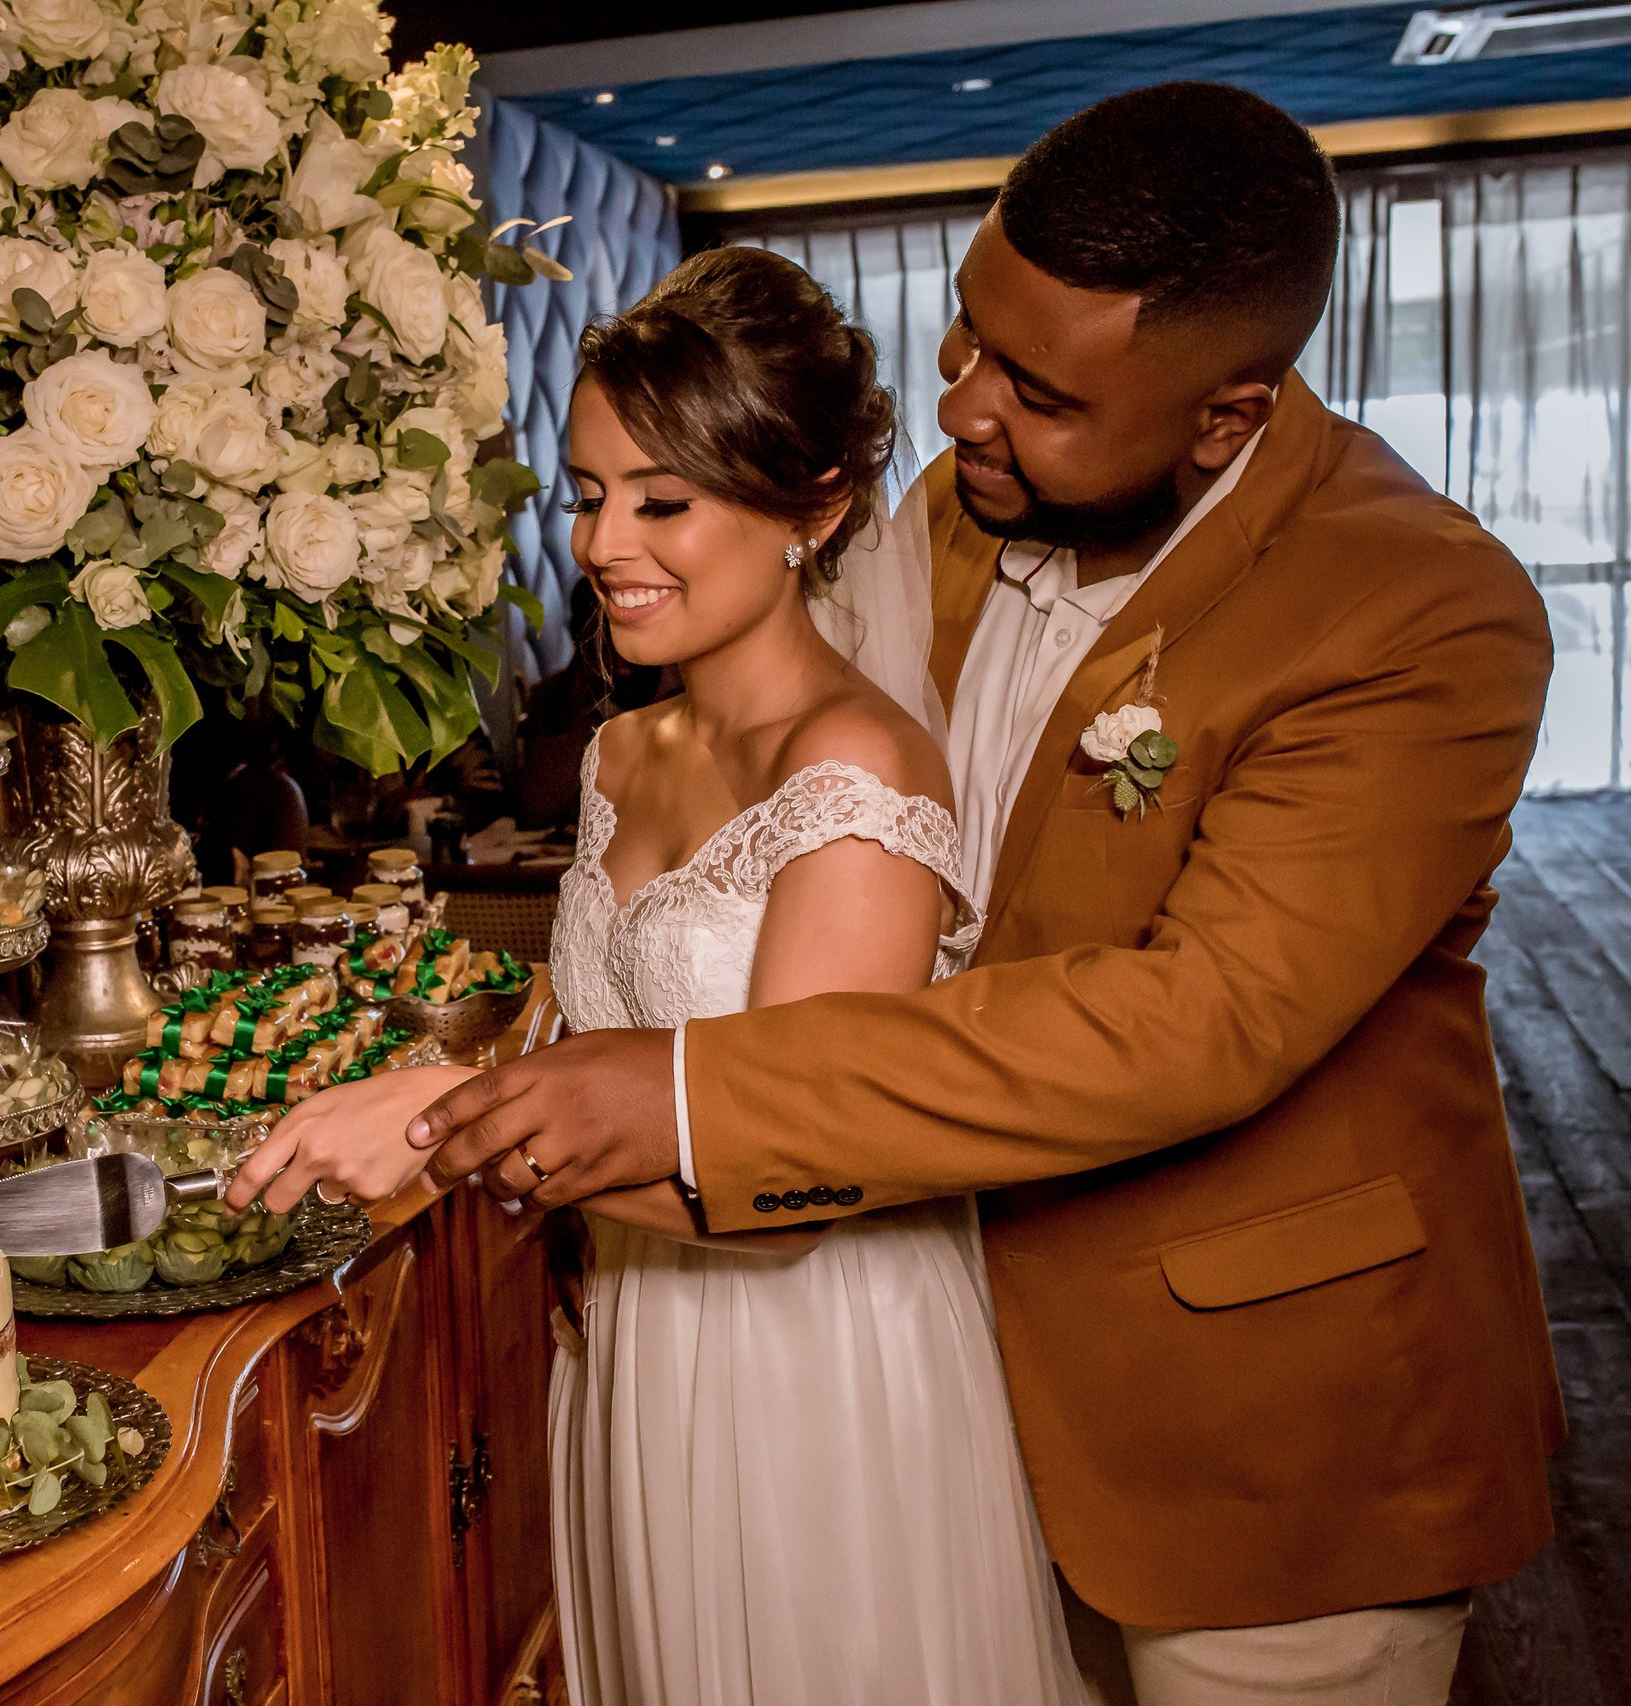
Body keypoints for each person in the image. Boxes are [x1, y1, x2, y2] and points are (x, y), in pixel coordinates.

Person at [236, 82, 1561, 1706]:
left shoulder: (1417, 611)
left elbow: (1194, 1024)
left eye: (1040, 392)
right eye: (963, 340)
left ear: (1226, 413)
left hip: (1254, 1426)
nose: (967, 410)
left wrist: (613, 1095)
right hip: (923, 1366)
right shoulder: (944, 515)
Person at [234, 241, 1084, 1702]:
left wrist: (446, 1129)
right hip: (632, 1329)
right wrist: (438, 1083)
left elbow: (792, 1190)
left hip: (807, 1368)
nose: (604, 542)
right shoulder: (627, 750)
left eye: (664, 501)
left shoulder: (859, 776)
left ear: (813, 511)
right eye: (587, 494)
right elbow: (588, 1026)